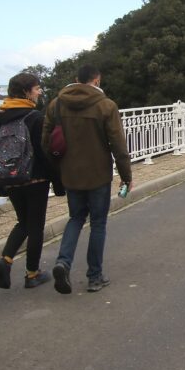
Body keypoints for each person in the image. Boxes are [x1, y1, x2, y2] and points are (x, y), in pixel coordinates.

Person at [43, 64, 132, 294]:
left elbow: (47, 142)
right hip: (98, 174)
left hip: (70, 175)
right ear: (97, 80)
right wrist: (126, 176)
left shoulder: (57, 104)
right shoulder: (106, 106)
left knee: (75, 218)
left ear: (76, 79)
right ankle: (94, 277)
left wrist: (59, 168)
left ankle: (63, 262)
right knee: (98, 223)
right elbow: (118, 145)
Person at [0, 72, 64, 289]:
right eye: (36, 88)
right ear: (26, 92)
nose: (40, 91)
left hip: (9, 178)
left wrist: (0, 183)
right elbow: (44, 153)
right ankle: (32, 274)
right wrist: (58, 182)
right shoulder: (34, 117)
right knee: (36, 227)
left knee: (23, 222)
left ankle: (5, 261)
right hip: (34, 179)